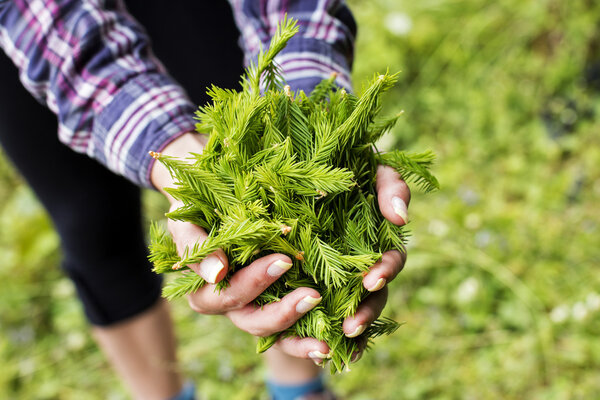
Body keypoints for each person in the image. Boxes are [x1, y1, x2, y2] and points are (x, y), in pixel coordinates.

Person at [0, 1, 411, 399]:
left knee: (249, 113)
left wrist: (311, 110)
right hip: (29, 22)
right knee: (90, 219)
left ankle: (299, 387)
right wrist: (176, 159)